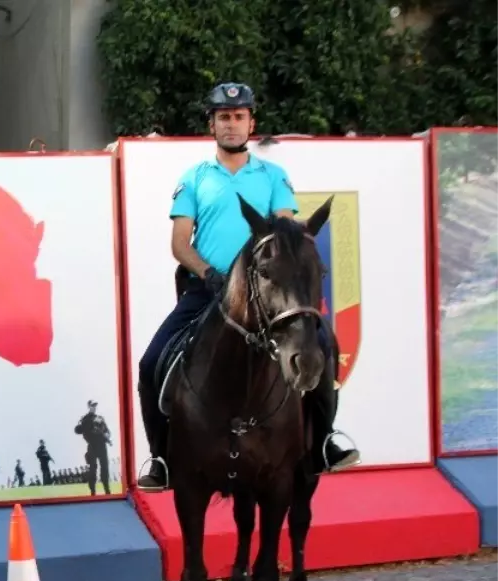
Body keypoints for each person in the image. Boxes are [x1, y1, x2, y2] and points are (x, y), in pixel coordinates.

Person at [136, 82, 360, 492]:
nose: (232, 124)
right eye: (224, 117)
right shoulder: (194, 180)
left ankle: (325, 440)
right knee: (151, 363)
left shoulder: (274, 176)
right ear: (212, 124)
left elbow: (285, 231)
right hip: (207, 292)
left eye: (239, 117)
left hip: (265, 294)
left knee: (322, 345)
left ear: (251, 123)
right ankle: (161, 458)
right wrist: (207, 273)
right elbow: (180, 244)